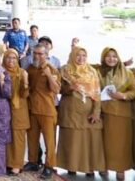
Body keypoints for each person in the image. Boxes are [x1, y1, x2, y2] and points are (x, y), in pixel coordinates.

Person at [56, 46, 104, 177]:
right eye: (78, 55)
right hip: (70, 110)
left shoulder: (92, 72)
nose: (81, 58)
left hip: (88, 112)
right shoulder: (65, 70)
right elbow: (58, 90)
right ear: (72, 55)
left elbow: (97, 93)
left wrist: (96, 111)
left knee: (90, 140)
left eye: (84, 55)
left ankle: (89, 168)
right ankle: (71, 166)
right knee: (72, 140)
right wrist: (70, 88)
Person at [98, 47, 135, 181]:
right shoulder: (97, 71)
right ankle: (103, 166)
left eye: (114, 56)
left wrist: (123, 95)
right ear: (103, 58)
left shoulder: (127, 73)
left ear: (118, 58)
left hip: (121, 114)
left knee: (121, 144)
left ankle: (120, 168)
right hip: (102, 112)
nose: (111, 59)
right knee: (103, 142)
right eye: (108, 56)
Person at [23, 44, 60, 179]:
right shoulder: (30, 68)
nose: (37, 56)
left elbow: (56, 90)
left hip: (47, 110)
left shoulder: (52, 69)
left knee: (49, 141)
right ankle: (33, 161)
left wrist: (49, 75)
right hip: (32, 109)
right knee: (32, 139)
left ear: (46, 55)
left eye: (40, 54)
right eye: (35, 53)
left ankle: (49, 166)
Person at [3, 49, 29, 175]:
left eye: (14, 58)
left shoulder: (22, 72)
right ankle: (7, 162)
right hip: (3, 110)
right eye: (8, 57)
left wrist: (25, 82)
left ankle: (17, 164)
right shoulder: (0, 72)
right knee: (6, 137)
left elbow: (25, 94)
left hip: (19, 110)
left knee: (18, 138)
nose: (11, 60)